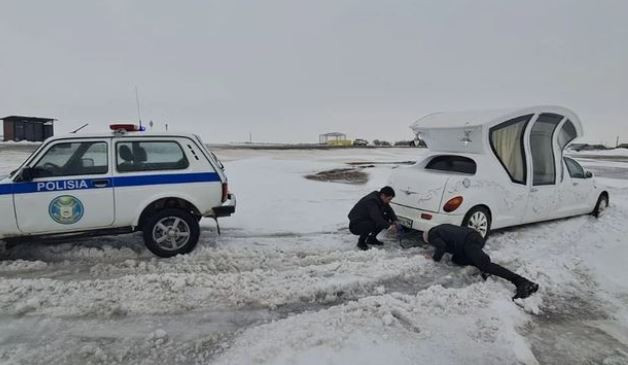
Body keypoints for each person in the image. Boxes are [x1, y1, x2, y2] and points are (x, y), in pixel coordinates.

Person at [423, 224, 539, 300]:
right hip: (473, 237)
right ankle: (482, 265)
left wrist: (434, 258)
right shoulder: (441, 228)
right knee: (456, 259)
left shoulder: (433, 235)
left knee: (485, 265)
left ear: (428, 238)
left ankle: (523, 282)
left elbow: (441, 246)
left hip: (469, 241)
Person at [348, 186, 399, 250]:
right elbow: (376, 217)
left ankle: (371, 239)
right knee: (372, 224)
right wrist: (389, 227)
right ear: (383, 195)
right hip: (355, 225)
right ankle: (361, 242)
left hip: (365, 220)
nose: (389, 201)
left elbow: (389, 210)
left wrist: (395, 220)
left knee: (385, 218)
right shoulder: (372, 201)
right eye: (389, 199)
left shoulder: (380, 198)